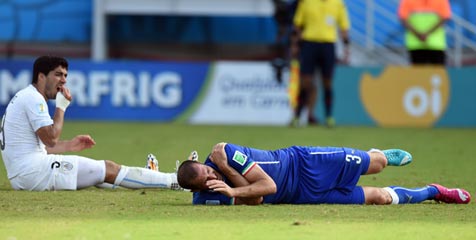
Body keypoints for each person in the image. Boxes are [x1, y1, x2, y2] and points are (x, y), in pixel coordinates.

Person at [0, 56, 180, 191]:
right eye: (58, 75)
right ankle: (174, 180)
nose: (63, 80)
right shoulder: (33, 99)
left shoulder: (26, 96)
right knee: (108, 169)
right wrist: (62, 106)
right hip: (33, 173)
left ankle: (152, 176)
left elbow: (39, 146)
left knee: (98, 177)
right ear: (41, 76)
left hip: (25, 174)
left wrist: (70, 145)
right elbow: (51, 139)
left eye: (65, 75)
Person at [177, 142, 471, 205]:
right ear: (198, 188)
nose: (212, 174)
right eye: (206, 178)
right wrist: (231, 191)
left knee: (377, 166)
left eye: (208, 169)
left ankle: (379, 153)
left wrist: (227, 172)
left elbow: (266, 186)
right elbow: (255, 200)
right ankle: (434, 191)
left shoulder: (224, 154)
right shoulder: (206, 199)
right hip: (303, 195)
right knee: (380, 198)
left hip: (305, 163)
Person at [290, 0, 350, 127]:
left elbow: (344, 28)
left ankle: (328, 117)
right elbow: (297, 25)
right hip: (309, 44)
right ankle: (297, 117)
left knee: (327, 82)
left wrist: (346, 48)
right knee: (305, 82)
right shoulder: (306, 2)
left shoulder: (338, 4)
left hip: (328, 46)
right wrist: (295, 44)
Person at [398, 0, 452, 65]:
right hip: (427, 44)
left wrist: (419, 35)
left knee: (423, 73)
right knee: (434, 73)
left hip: (426, 43)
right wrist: (426, 34)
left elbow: (445, 18)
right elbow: (403, 19)